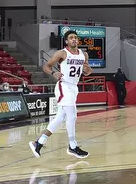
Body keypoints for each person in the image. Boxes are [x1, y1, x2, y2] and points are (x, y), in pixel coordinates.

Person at [30, 30, 91, 158]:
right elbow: (46, 66)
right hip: (64, 86)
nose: (74, 39)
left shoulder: (83, 54)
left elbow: (87, 71)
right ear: (66, 41)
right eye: (71, 38)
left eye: (75, 37)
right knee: (72, 116)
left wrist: (87, 70)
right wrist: (53, 73)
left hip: (74, 87)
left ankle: (39, 143)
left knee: (60, 118)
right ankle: (72, 146)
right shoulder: (62, 53)